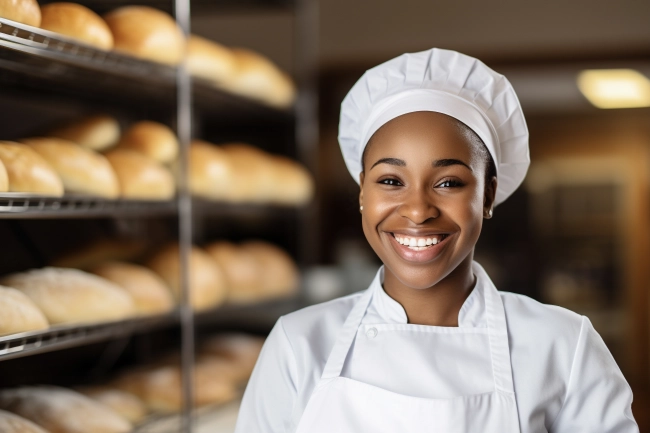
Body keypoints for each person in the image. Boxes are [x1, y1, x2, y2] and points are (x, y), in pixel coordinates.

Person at [234, 48, 639, 433]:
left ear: (489, 195)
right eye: (391, 181)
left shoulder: (563, 345)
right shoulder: (298, 343)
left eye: (449, 182)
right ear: (362, 193)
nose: (417, 210)